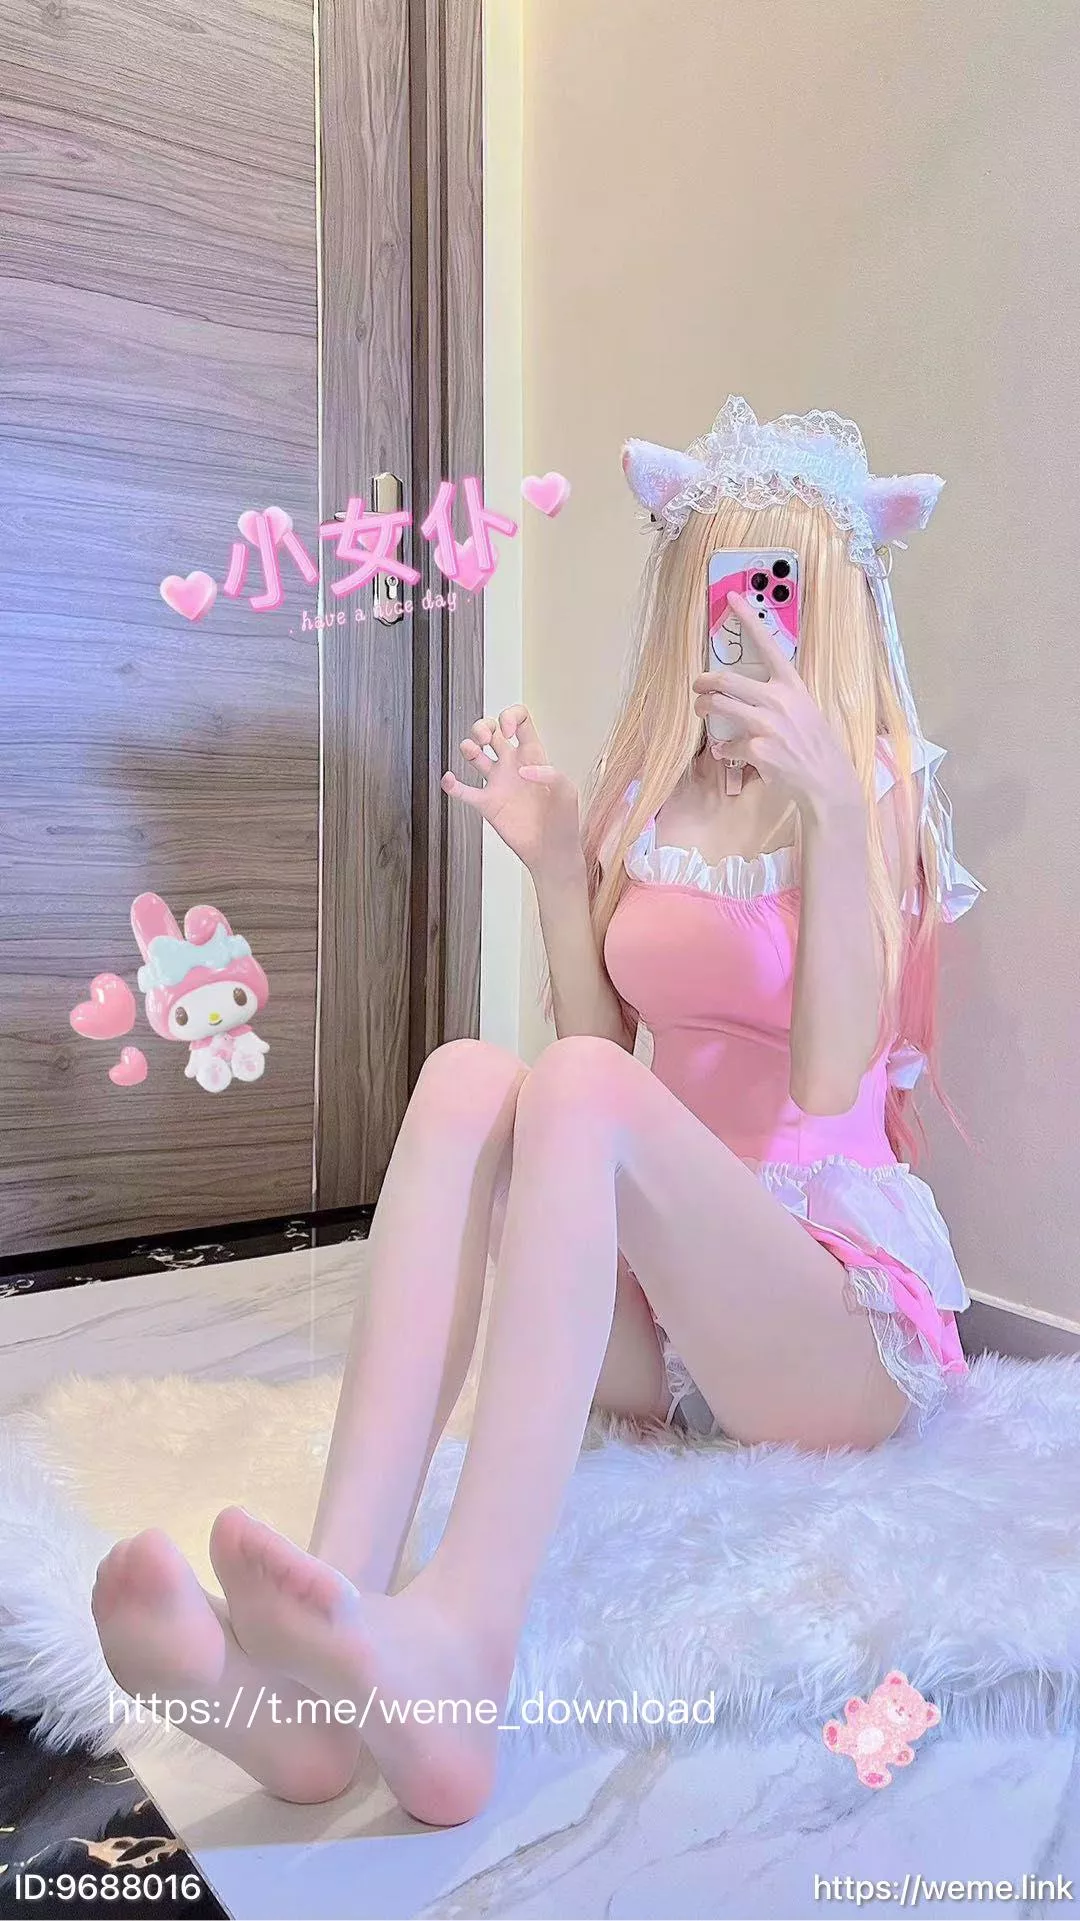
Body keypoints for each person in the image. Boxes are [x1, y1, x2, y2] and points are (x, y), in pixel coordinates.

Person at [91, 397, 982, 1827]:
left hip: (820, 1312)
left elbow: (829, 1087)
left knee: (569, 1084)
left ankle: (465, 1646)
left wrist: (826, 807)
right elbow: (599, 1067)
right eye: (723, 581)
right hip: (668, 1311)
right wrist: (562, 865)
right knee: (469, 1074)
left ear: (837, 600)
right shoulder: (661, 796)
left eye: (784, 584)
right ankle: (311, 1668)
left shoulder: (868, 786)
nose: (748, 615)